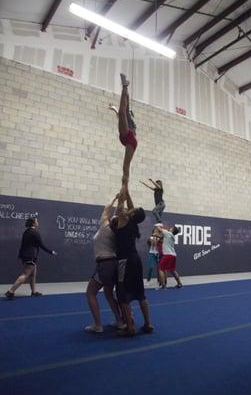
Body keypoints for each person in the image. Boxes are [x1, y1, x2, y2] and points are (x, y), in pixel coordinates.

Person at [115, 184, 153, 336]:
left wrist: (122, 192)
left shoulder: (123, 219)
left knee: (122, 295)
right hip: (136, 260)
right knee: (140, 294)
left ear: (132, 214)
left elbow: (119, 208)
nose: (132, 207)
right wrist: (126, 185)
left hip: (125, 261)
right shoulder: (133, 222)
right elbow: (130, 206)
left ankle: (130, 328)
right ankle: (148, 324)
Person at [85, 195, 124, 333]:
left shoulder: (104, 226)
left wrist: (115, 197)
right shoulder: (118, 233)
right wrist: (122, 200)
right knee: (108, 294)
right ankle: (119, 321)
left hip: (105, 264)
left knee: (90, 293)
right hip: (113, 264)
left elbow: (107, 208)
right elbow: (118, 214)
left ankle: (98, 325)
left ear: (111, 221)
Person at [5, 217, 57, 300]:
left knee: (33, 274)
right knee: (25, 274)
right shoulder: (35, 232)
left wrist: (20, 255)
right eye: (36, 221)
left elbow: (22, 245)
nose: (38, 222)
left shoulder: (26, 232)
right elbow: (41, 244)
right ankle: (10, 292)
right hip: (31, 256)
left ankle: (33, 292)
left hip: (26, 256)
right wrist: (51, 252)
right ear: (33, 223)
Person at [109, 73, 137, 184]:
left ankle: (125, 184)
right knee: (122, 112)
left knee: (125, 166)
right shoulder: (127, 117)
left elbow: (123, 111)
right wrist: (114, 108)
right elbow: (120, 113)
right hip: (127, 137)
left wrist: (116, 109)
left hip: (129, 139)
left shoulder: (130, 120)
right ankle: (125, 86)